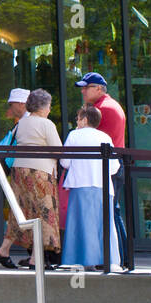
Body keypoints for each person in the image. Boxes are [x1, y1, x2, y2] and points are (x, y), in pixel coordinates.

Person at [0, 88, 62, 269]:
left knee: (21, 212)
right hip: (40, 172)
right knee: (44, 214)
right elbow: (59, 150)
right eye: (49, 105)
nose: (50, 109)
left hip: (19, 171)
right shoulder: (47, 124)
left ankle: (4, 250)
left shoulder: (21, 123)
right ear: (44, 106)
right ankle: (35, 259)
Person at [60, 103, 122, 269]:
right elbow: (115, 167)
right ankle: (110, 260)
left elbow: (64, 162)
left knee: (79, 223)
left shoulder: (74, 135)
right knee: (105, 224)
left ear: (85, 119)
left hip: (81, 184)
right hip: (103, 186)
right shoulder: (105, 137)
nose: (77, 121)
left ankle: (78, 259)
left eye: (78, 118)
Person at [76, 72, 128, 265]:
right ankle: (118, 258)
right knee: (112, 210)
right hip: (112, 164)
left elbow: (90, 139)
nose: (82, 91)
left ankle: (118, 258)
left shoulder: (101, 109)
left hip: (108, 165)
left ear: (98, 88)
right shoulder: (108, 105)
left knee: (111, 210)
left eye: (86, 87)